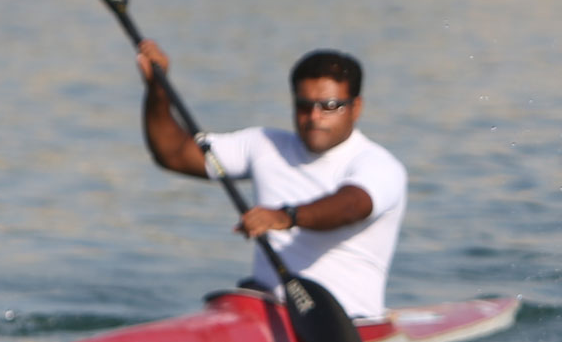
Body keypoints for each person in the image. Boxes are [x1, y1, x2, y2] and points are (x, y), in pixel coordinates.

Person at [137, 41, 407, 320]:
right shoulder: (265, 145)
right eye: (304, 106)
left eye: (329, 106)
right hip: (263, 309)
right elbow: (173, 154)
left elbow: (353, 205)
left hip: (344, 324)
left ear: (356, 107)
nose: (314, 117)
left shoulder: (378, 164)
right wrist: (157, 89)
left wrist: (285, 217)